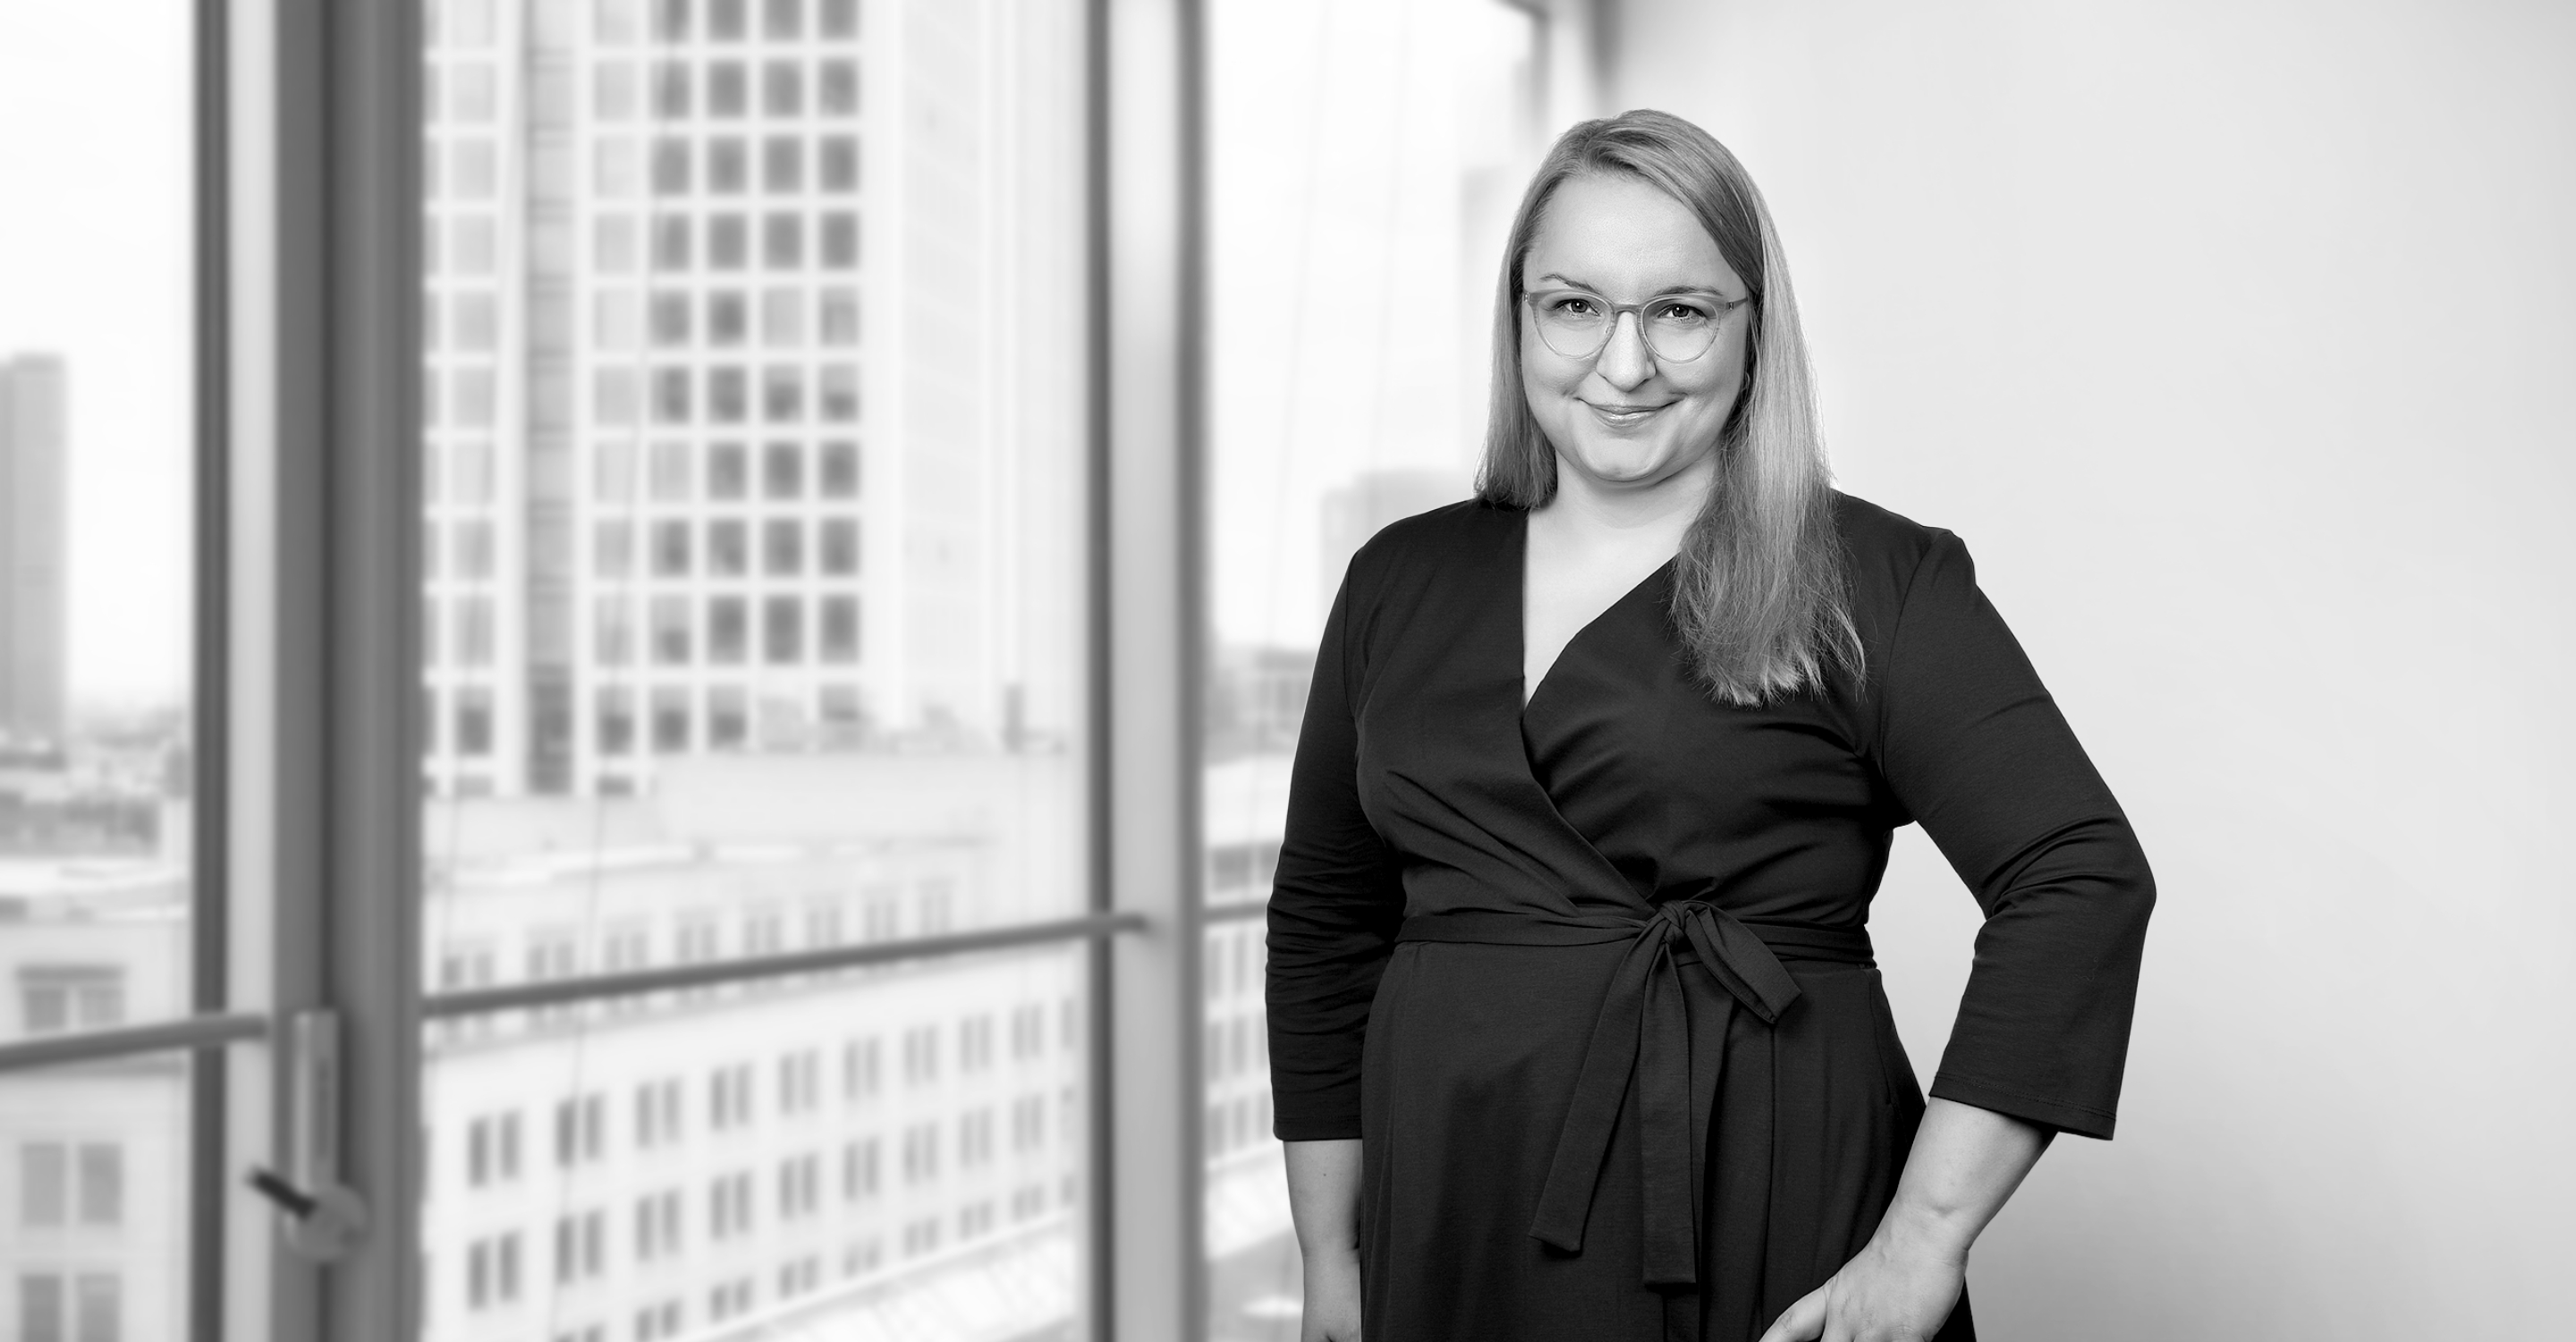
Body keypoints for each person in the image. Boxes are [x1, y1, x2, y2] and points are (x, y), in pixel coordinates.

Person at [1265, 109, 2154, 1342]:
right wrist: (1332, 1253)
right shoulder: (1397, 579)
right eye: (1574, 306)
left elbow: (2078, 875)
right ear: (1519, 318)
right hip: (1448, 1204)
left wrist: (1923, 1245)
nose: (1624, 364)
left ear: (1753, 327)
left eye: (1679, 310)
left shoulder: (1873, 577)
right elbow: (1324, 925)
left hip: (1761, 1189)